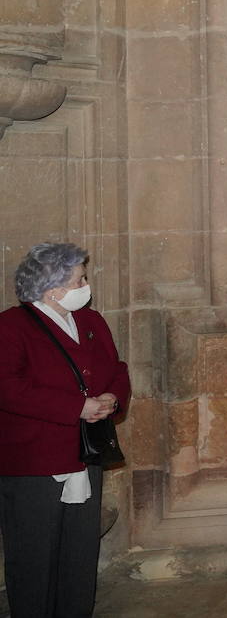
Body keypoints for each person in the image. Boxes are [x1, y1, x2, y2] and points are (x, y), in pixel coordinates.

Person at [0, 243, 130, 618]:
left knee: (79, 552)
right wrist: (76, 407)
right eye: (79, 279)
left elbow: (117, 369)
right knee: (33, 557)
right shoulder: (11, 327)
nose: (85, 284)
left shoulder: (91, 321)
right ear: (52, 288)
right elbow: (8, 388)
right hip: (34, 462)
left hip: (85, 453)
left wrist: (111, 399)